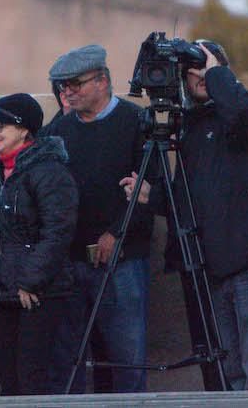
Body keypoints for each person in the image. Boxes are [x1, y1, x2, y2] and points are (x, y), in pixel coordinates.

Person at [130, 42, 248, 390]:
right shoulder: (188, 127)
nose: (199, 76)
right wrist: (152, 197)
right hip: (212, 267)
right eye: (191, 71)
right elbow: (191, 195)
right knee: (229, 371)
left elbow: (239, 110)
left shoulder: (238, 114)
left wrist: (215, 70)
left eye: (205, 68)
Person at [43, 45, 156, 394]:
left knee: (127, 360)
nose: (69, 92)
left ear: (103, 80)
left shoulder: (135, 122)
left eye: (76, 84)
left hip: (121, 261)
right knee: (68, 362)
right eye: (64, 86)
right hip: (70, 263)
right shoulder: (57, 130)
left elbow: (151, 191)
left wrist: (115, 234)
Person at [0, 94, 78, 396]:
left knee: (33, 377)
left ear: (24, 130)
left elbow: (57, 231)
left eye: (1, 126)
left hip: (38, 293)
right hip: (2, 293)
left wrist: (30, 282)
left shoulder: (49, 171)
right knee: (8, 379)